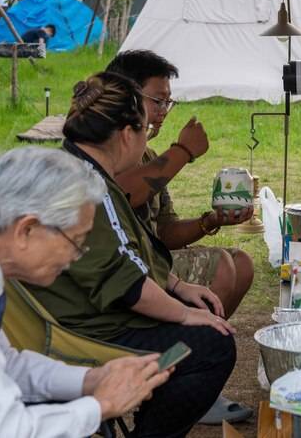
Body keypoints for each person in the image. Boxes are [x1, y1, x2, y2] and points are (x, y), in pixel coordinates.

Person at [29, 72, 237, 437]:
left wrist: (177, 285)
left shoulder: (75, 167)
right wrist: (185, 314)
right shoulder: (88, 187)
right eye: (145, 129)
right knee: (212, 346)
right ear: (127, 134)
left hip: (74, 317)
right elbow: (127, 284)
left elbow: (125, 252)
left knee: (200, 326)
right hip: (86, 332)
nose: (147, 138)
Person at [0, 147, 170, 438]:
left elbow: (4, 363)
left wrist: (91, 379)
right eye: (76, 240)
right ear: (27, 229)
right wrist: (101, 406)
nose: (76, 256)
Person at [107, 49, 255, 424]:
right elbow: (121, 196)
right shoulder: (108, 148)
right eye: (157, 100)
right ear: (126, 96)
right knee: (222, 266)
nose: (163, 111)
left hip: (148, 261)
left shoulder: (147, 153)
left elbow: (166, 231)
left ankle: (190, 373)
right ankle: (182, 378)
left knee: (242, 262)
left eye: (168, 102)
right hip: (123, 275)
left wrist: (211, 221)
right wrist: (183, 151)